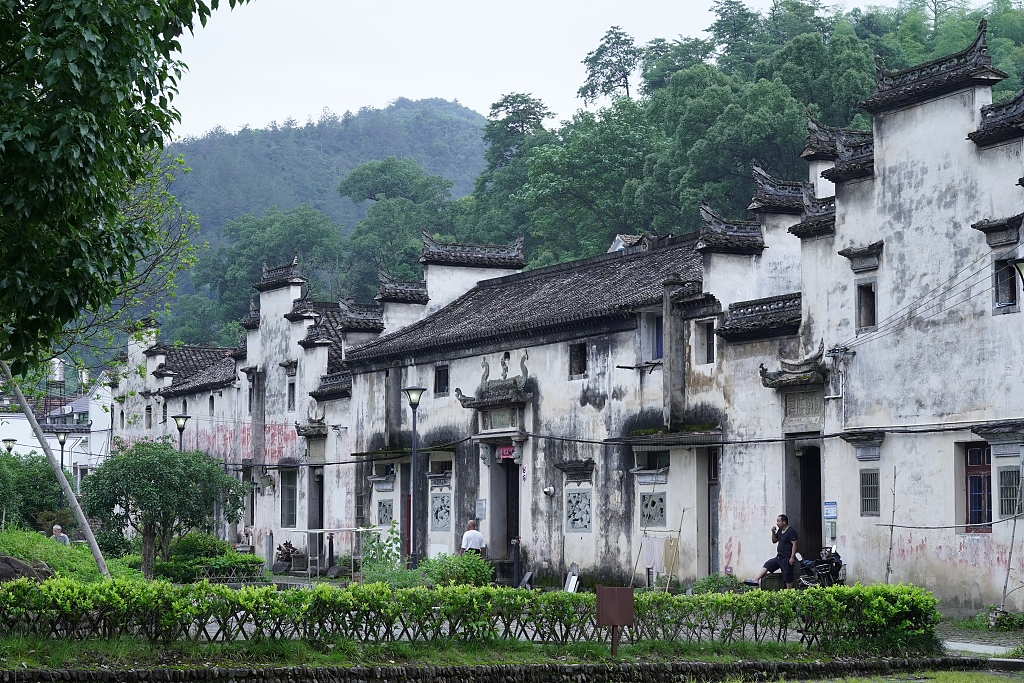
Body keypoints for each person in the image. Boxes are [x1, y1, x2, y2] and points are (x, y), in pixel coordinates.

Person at [744, 514, 798, 589]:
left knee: (787, 575)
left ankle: (789, 592)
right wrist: (773, 532)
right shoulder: (780, 531)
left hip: (787, 557)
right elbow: (774, 541)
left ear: (784, 522)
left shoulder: (791, 531)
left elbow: (794, 545)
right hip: (779, 556)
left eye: (779, 521)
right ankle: (755, 580)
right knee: (768, 564)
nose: (777, 523)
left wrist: (792, 557)